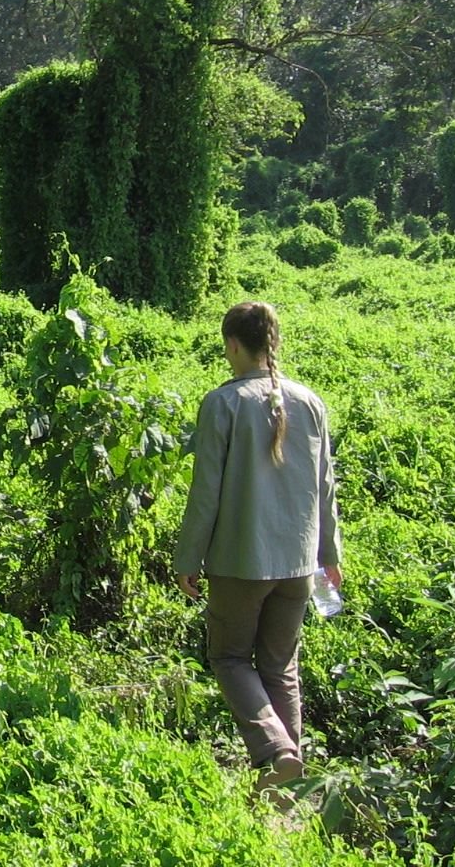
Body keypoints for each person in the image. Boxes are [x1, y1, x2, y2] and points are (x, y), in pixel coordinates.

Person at [173, 301, 342, 793]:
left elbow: (206, 492)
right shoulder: (309, 401)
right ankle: (288, 783)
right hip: (299, 564)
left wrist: (188, 558)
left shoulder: (223, 402)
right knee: (280, 666)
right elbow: (325, 486)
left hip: (240, 561)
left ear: (232, 345)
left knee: (229, 658)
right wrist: (329, 556)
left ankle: (276, 751)